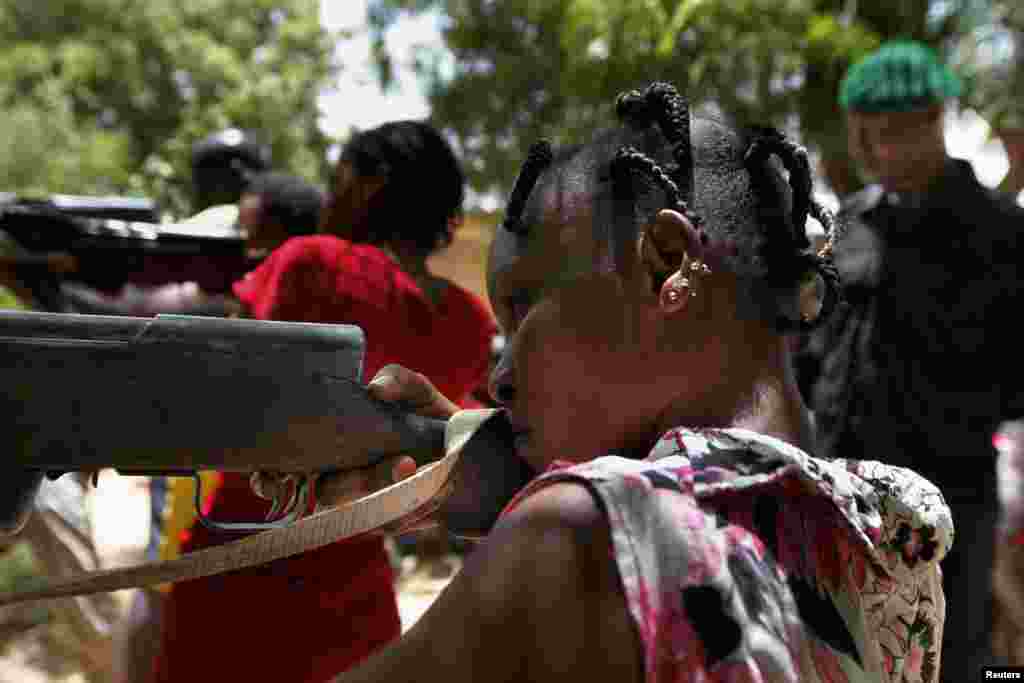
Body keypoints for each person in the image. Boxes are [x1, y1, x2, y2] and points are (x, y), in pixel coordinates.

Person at [316, 82, 952, 682]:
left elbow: (616, 525)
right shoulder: (891, 521)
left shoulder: (574, 534)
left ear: (666, 265)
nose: (500, 377)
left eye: (525, 309)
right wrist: (460, 458)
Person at [150, 120, 497, 683]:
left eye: (338, 181)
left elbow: (221, 378)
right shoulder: (470, 322)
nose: (327, 199)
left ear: (371, 184)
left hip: (239, 564)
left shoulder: (311, 263)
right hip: (358, 590)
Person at [796, 40, 1024, 681]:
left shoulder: (999, 233)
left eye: (886, 134)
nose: (867, 152)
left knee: (951, 660)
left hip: (950, 505)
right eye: (858, 134)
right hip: (848, 500)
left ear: (932, 122)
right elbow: (817, 354)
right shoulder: (854, 226)